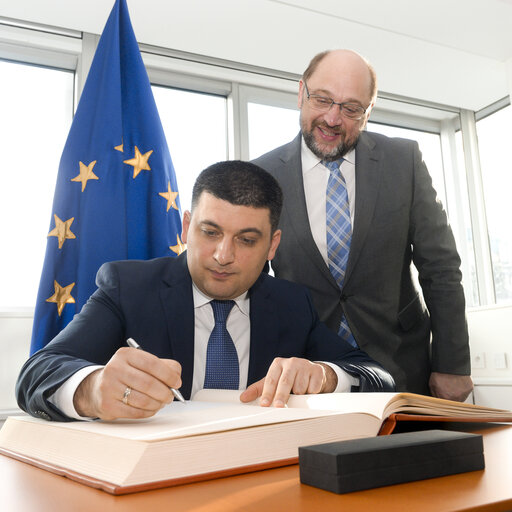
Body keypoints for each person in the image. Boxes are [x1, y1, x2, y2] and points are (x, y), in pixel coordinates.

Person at [16, 160, 394, 422]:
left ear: (272, 246)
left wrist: (326, 376)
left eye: (247, 240)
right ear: (186, 227)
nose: (223, 255)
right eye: (209, 232)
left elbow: (379, 377)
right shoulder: (128, 288)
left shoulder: (292, 304)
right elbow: (37, 373)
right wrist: (92, 390)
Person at [253, 49, 472, 401]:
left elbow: (441, 268)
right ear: (301, 93)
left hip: (404, 366)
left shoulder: (404, 161)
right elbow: (253, 283)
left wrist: (453, 365)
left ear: (368, 112)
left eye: (351, 108)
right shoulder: (262, 175)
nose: (332, 118)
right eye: (322, 99)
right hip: (310, 376)